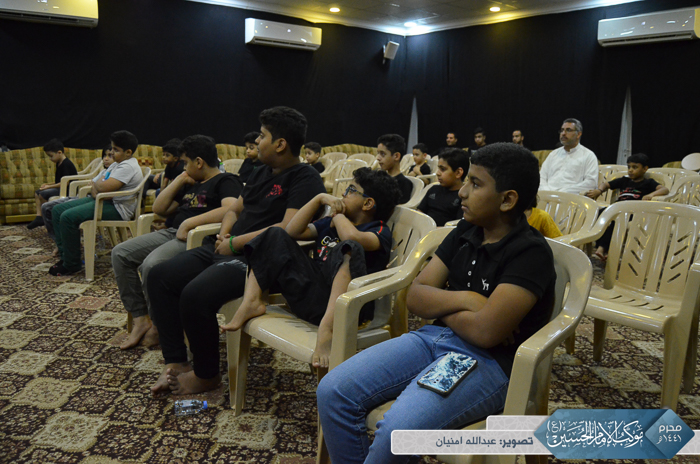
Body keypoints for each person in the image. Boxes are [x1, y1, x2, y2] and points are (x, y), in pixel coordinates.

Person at [317, 143, 556, 464]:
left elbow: (485, 333)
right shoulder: (467, 230)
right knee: (333, 392)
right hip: (432, 338)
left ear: (507, 200)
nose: (463, 193)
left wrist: (445, 305)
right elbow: (415, 297)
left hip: (482, 361)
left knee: (399, 433)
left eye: (475, 184)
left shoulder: (530, 252)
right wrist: (469, 300)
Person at [145, 106, 325, 397]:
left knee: (194, 294)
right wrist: (226, 232)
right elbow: (235, 209)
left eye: (262, 137)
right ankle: (176, 361)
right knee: (159, 276)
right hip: (228, 248)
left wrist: (235, 243)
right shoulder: (260, 171)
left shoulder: (305, 177)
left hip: (260, 262)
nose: (257, 142)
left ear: (280, 144)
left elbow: (286, 228)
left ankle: (206, 375)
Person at [221, 167, 400, 369]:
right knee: (274, 234)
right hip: (311, 296)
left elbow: (352, 238)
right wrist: (319, 199)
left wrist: (338, 217)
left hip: (347, 309)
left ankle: (327, 330)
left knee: (349, 248)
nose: (343, 194)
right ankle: (252, 301)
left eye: (351, 190)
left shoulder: (378, 230)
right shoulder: (329, 223)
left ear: (368, 203)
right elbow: (292, 231)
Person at [112, 135, 243, 350]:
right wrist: (180, 180)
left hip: (197, 238)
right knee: (120, 254)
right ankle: (141, 318)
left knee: (151, 265)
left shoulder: (226, 181)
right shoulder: (191, 182)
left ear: (199, 162)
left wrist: (191, 222)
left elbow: (231, 209)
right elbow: (159, 208)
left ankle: (160, 326)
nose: (183, 167)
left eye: (185, 162)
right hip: (172, 233)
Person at [49, 130, 144, 276]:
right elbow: (96, 185)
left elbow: (102, 187)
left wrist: (98, 187)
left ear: (128, 152)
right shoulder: (117, 164)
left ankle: (71, 264)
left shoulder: (127, 167)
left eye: (116, 150)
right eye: (112, 148)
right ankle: (65, 257)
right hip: (103, 201)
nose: (111, 152)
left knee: (67, 217)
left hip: (117, 208)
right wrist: (98, 187)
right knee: (57, 210)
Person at [584, 153, 669, 260]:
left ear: (645, 169)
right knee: (598, 214)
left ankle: (601, 249)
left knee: (615, 222)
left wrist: (651, 195)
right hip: (617, 208)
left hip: (633, 211)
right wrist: (599, 190)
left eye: (635, 167)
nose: (630, 170)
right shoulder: (624, 180)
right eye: (629, 167)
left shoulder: (648, 183)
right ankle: (594, 246)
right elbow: (606, 184)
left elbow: (664, 189)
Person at [41, 144, 114, 246]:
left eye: (110, 156)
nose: (105, 159)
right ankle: (58, 240)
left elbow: (97, 188)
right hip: (84, 197)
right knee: (45, 207)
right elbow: (92, 185)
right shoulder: (104, 172)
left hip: (91, 200)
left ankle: (64, 244)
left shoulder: (115, 173)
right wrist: (94, 187)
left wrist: (94, 187)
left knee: (59, 211)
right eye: (104, 156)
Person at [27, 138, 78, 229]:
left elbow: (65, 183)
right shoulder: (59, 163)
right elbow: (59, 181)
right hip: (61, 187)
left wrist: (48, 187)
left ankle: (47, 216)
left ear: (59, 152)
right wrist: (48, 184)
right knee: (37, 192)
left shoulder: (66, 164)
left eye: (51, 156)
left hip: (68, 190)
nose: (50, 159)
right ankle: (39, 217)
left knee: (42, 194)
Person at [539, 118, 598, 194]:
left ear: (578, 134)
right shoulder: (553, 154)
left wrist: (562, 193)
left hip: (571, 197)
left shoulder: (588, 156)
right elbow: (541, 177)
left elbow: (591, 183)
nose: (563, 133)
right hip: (548, 195)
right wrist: (547, 192)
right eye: (562, 130)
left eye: (568, 130)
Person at [417, 148, 469, 226]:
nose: (437, 173)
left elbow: (456, 227)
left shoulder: (464, 198)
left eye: (443, 169)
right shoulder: (433, 189)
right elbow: (420, 212)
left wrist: (431, 230)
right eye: (438, 168)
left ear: (458, 173)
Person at [375, 134, 413, 204]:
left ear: (396, 156)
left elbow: (399, 208)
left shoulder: (404, 183)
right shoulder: (380, 178)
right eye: (378, 153)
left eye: (382, 154)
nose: (378, 158)